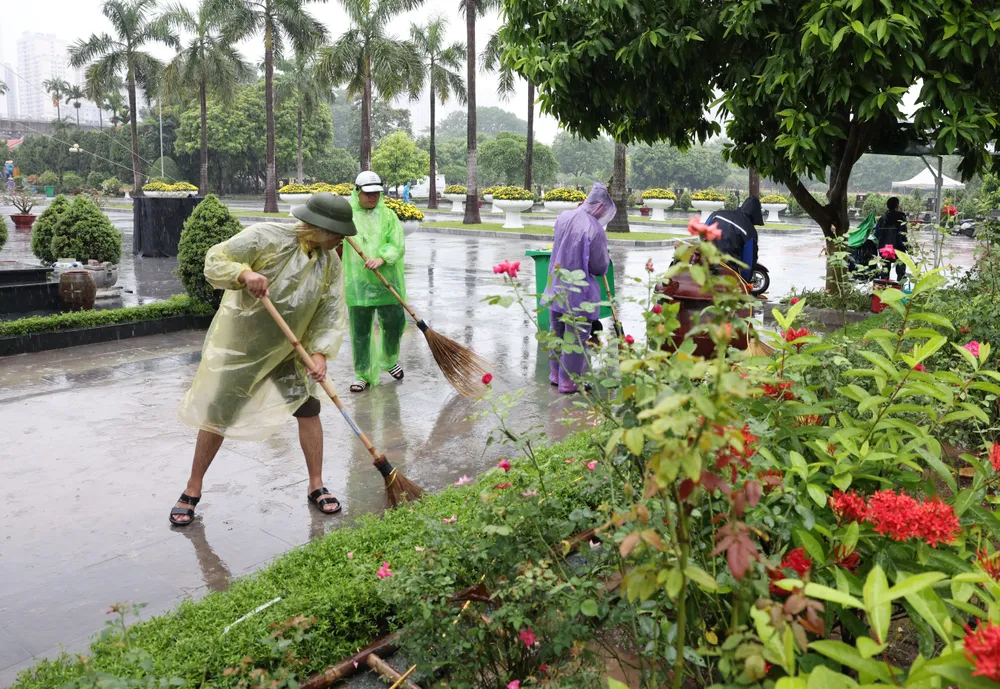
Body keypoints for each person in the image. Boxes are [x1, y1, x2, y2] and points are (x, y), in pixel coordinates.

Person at [169, 193, 355, 526]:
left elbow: (330, 311)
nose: (343, 238)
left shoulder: (330, 263)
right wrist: (243, 275)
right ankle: (192, 489)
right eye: (339, 232)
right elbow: (216, 259)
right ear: (321, 227)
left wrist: (319, 354)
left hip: (290, 352)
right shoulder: (265, 237)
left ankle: (316, 484)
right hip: (244, 349)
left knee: (309, 410)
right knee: (217, 416)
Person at [543, 182, 615, 394]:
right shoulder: (594, 229)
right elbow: (600, 266)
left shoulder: (564, 216)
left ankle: (556, 375)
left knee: (556, 330)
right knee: (576, 336)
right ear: (601, 208)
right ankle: (570, 381)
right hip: (578, 292)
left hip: (554, 283)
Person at [344, 171, 408, 393]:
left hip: (387, 282)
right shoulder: (347, 216)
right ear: (357, 191)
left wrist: (382, 258)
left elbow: (397, 243)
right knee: (360, 331)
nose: (372, 198)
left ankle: (388, 360)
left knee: (395, 324)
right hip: (358, 284)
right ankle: (363, 374)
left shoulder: (389, 215)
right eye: (368, 193)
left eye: (376, 193)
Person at [706, 197, 763, 281]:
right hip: (728, 273)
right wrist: (744, 282)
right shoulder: (749, 231)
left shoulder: (716, 214)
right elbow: (748, 262)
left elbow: (703, 231)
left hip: (706, 265)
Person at [876, 196, 908, 282]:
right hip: (898, 249)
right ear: (897, 205)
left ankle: (883, 291)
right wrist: (907, 247)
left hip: (884, 249)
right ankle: (900, 291)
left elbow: (877, 234)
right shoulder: (901, 218)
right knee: (901, 272)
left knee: (885, 271)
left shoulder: (882, 219)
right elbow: (903, 235)